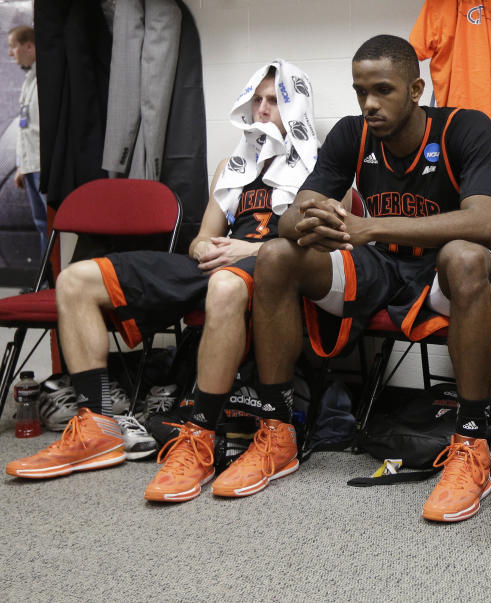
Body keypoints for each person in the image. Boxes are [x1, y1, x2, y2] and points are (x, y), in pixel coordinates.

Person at [6, 61, 321, 504]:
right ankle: (97, 426)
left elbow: (321, 245)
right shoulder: (231, 166)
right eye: (258, 99)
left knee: (227, 285)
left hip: (269, 270)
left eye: (276, 100)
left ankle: (200, 436)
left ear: (298, 107)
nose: (264, 109)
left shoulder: (319, 166)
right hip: (219, 262)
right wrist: (204, 248)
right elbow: (200, 238)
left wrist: (248, 251)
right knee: (76, 278)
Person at [251, 34, 491, 523]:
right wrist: (310, 221)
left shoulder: (464, 127)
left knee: (466, 256)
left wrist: (371, 226)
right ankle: (277, 427)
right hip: (381, 269)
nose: (369, 104)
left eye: (383, 90)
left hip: (444, 279)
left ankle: (472, 442)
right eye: (360, 91)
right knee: (277, 254)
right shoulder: (352, 134)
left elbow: (485, 223)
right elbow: (290, 215)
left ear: (415, 90)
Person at [7, 25, 47, 256]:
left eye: (13, 46)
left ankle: (54, 285)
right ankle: (45, 283)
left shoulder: (45, 81)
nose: (11, 53)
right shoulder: (29, 80)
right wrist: (22, 165)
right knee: (42, 225)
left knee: (53, 227)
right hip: (31, 167)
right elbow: (28, 129)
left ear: (29, 46)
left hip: (43, 168)